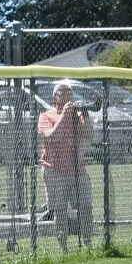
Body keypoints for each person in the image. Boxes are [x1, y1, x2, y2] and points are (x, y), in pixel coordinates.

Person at [37, 81, 95, 250]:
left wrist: (86, 115)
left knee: (86, 207)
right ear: (55, 97)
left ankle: (88, 245)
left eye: (70, 93)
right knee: (60, 211)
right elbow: (52, 137)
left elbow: (90, 135)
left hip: (78, 170)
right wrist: (64, 115)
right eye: (63, 93)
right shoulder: (46, 116)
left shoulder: (77, 116)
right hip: (55, 171)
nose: (68, 96)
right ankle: (64, 249)